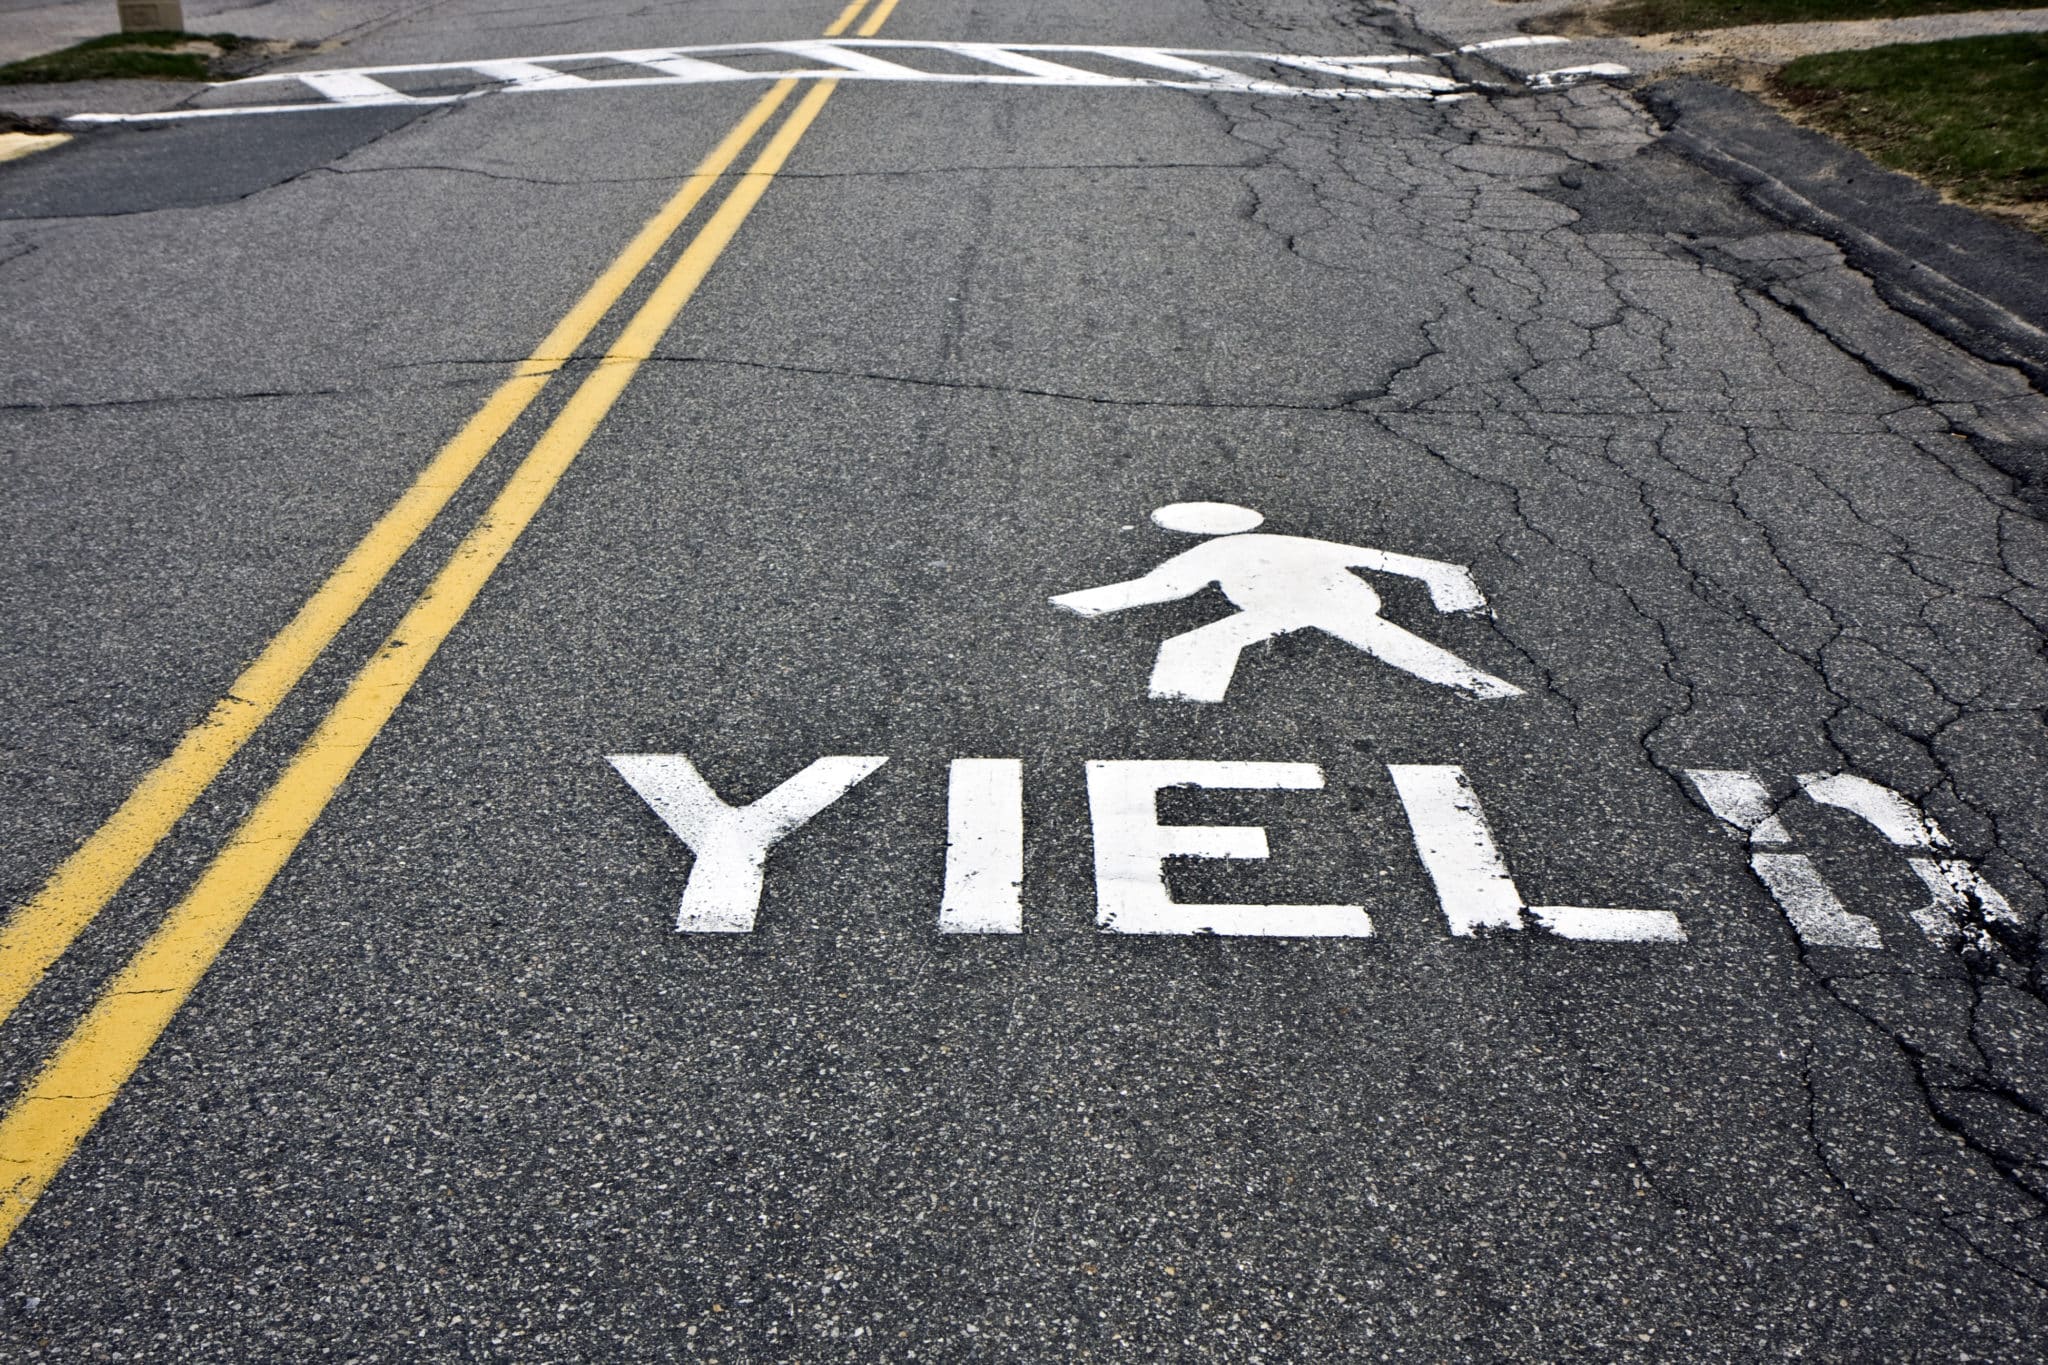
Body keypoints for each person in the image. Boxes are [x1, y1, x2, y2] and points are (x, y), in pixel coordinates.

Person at [1051, 501, 1522, 703]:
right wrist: (1457, 604)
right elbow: (1427, 567)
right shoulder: (1270, 544)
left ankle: (1179, 712)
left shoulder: (1219, 549)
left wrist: (1081, 604)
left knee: (1195, 646)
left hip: (1325, 602)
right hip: (1321, 604)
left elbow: (1167, 588)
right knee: (1197, 645)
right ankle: (1481, 685)